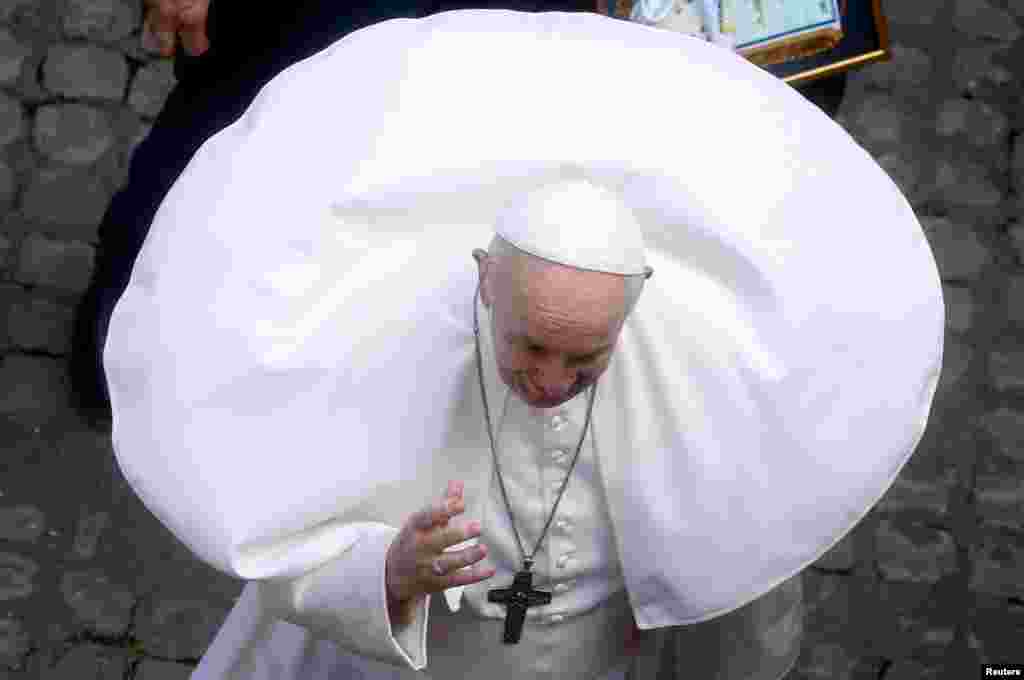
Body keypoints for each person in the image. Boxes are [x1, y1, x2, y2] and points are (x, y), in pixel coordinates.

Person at [101, 9, 943, 680]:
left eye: (587, 359)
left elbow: (739, 566)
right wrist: (389, 572)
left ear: (638, 309)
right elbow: (287, 537)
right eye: (532, 346)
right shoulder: (375, 348)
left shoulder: (712, 381)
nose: (550, 381)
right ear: (482, 279)